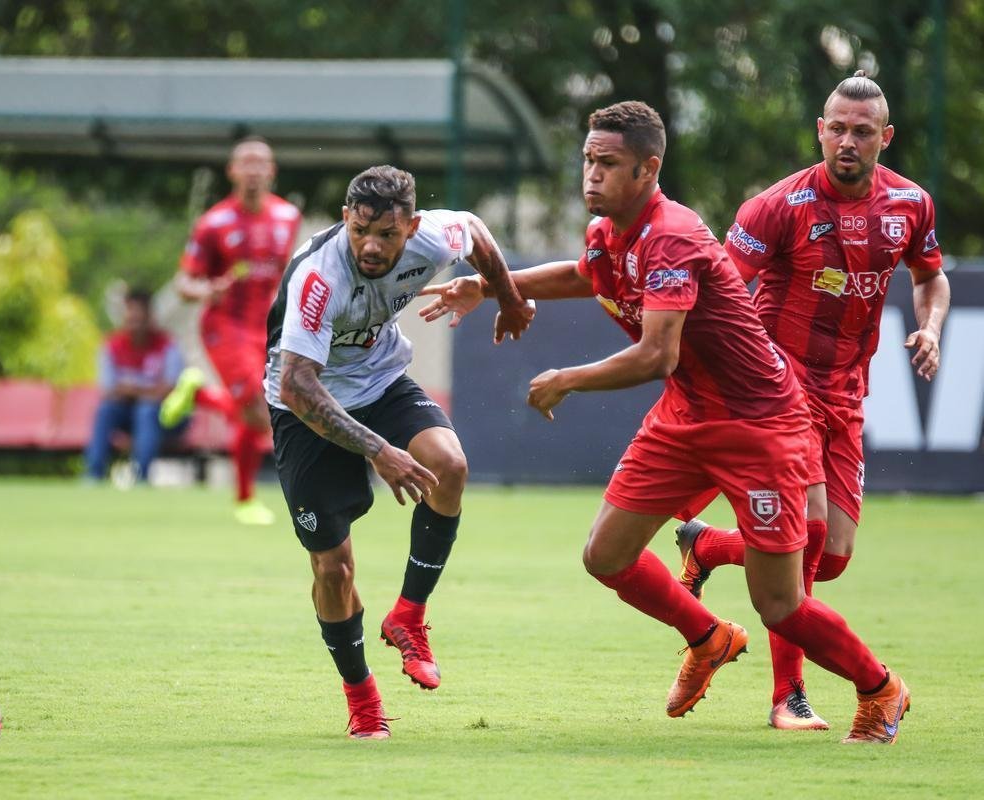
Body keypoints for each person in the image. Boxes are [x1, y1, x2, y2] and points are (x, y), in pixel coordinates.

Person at [421, 101, 910, 744]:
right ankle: (707, 636)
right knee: (606, 554)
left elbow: (658, 354)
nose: (591, 175)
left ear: (649, 169)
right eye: (588, 161)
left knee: (781, 605)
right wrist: (490, 286)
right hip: (685, 418)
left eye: (609, 164)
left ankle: (881, 689)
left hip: (760, 427)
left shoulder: (673, 233)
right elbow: (584, 274)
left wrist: (569, 377)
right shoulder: (608, 231)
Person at [670, 70, 948, 730]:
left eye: (861, 132)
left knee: (833, 558)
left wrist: (930, 328)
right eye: (835, 129)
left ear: (884, 138)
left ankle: (707, 547)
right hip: (777, 388)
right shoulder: (776, 207)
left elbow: (929, 278)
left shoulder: (910, 205)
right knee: (808, 536)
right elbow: (717, 289)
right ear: (818, 131)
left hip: (847, 392)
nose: (845, 141)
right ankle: (788, 698)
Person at [265, 165, 533, 739]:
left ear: (410, 228)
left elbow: (478, 233)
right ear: (346, 219)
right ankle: (363, 703)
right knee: (333, 570)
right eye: (360, 230)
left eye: (386, 235)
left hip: (380, 381)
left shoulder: (433, 237)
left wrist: (507, 298)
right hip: (304, 407)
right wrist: (379, 451)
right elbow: (297, 386)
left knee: (451, 465)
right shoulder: (320, 278)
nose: (370, 245)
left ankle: (408, 615)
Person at [161, 136, 302, 525]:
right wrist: (207, 288)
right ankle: (204, 397)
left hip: (267, 328)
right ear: (232, 171)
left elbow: (287, 272)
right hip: (225, 327)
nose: (254, 169)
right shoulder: (214, 223)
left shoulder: (287, 217)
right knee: (259, 413)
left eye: (261, 162)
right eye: (246, 162)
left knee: (260, 410)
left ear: (272, 171)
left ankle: (243, 498)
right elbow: (183, 283)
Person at [85, 288, 188, 484]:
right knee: (105, 410)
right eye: (131, 318)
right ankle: (93, 475)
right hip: (126, 413)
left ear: (150, 317)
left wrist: (133, 390)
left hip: (165, 417)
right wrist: (144, 391)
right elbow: (108, 389)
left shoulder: (168, 345)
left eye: (140, 319)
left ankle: (142, 478)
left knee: (146, 410)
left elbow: (170, 388)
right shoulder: (112, 345)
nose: (135, 324)